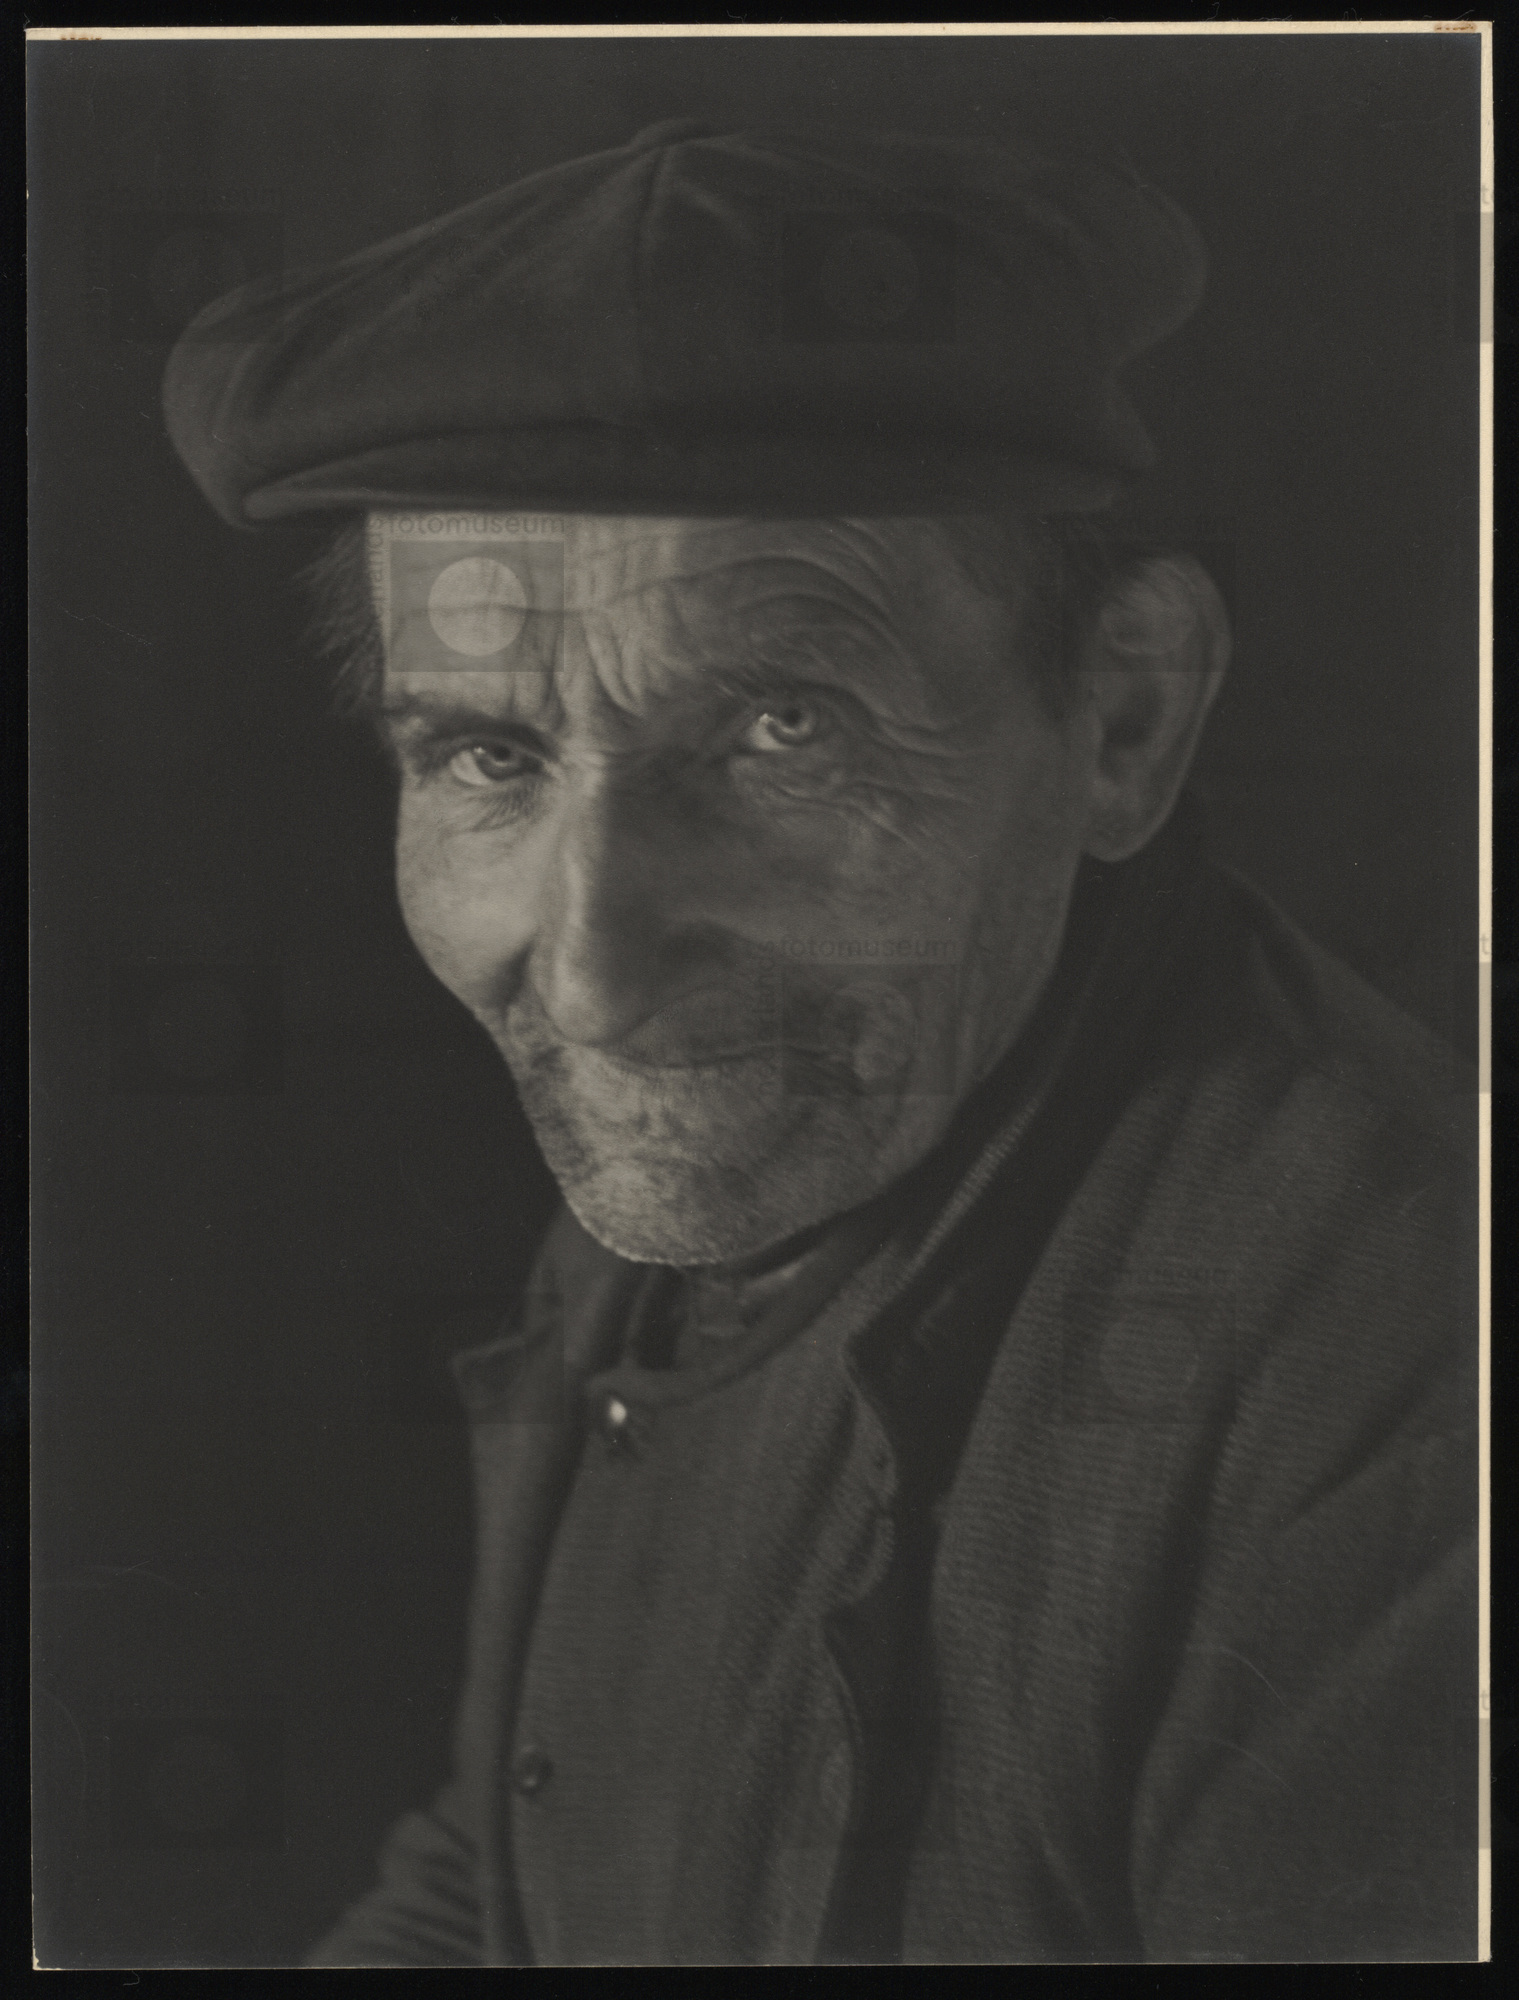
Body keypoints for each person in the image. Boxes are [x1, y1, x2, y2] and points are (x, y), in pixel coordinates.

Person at [162, 120, 1478, 1965]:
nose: (593, 980)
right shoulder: (752, 1124)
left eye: (782, 731)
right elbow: (494, 1871)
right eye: (486, 753)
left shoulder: (1407, 1381)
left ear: (1121, 721)